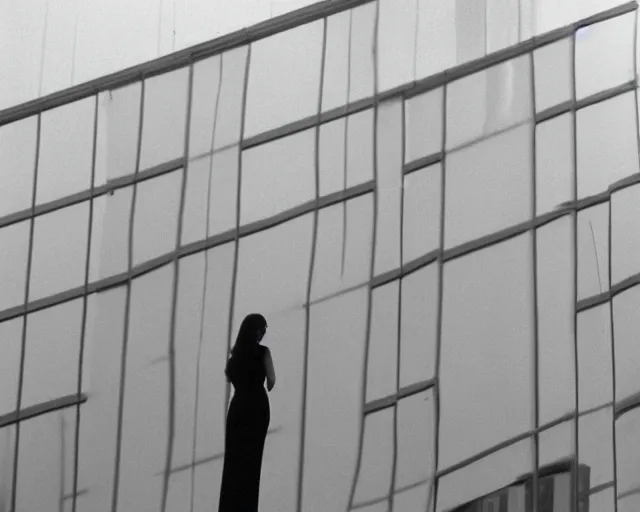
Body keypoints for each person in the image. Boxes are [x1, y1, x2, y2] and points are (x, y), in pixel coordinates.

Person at [218, 313, 276, 512]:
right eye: (263, 330)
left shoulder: (235, 357)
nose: (263, 334)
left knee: (234, 462)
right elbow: (271, 381)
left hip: (238, 408)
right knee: (252, 463)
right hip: (257, 407)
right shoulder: (263, 352)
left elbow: (231, 377)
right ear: (256, 331)